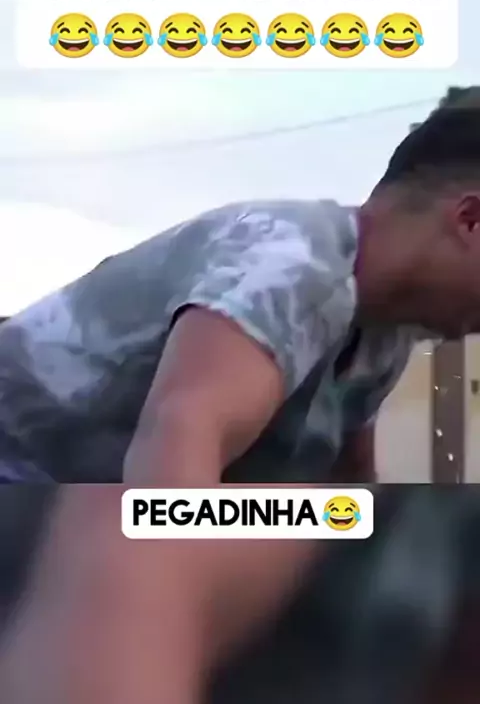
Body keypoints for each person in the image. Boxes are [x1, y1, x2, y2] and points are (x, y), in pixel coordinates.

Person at [2, 87, 480, 704]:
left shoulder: (390, 330)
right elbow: (176, 462)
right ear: (470, 220)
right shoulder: (290, 266)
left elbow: (341, 496)